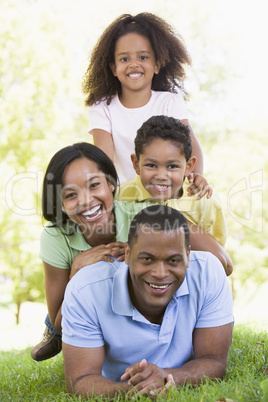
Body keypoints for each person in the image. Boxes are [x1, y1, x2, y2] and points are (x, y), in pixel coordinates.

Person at [31, 142, 226, 362]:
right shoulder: (56, 237)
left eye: (94, 185)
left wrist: (143, 252)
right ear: (61, 204)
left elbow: (223, 262)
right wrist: (76, 271)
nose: (86, 201)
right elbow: (60, 324)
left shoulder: (146, 215)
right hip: (99, 329)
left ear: (111, 184)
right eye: (70, 195)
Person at [62, 205, 233, 399]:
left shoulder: (208, 273)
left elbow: (214, 361)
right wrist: (136, 390)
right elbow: (80, 380)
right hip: (117, 382)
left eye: (173, 261)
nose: (160, 273)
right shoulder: (86, 289)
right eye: (147, 259)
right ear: (127, 253)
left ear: (188, 256)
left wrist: (168, 377)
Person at [82, 12, 209, 196]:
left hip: (166, 194)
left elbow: (190, 145)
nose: (134, 64)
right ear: (113, 68)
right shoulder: (102, 107)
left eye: (143, 57)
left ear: (157, 65)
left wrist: (197, 176)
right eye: (124, 59)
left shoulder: (169, 102)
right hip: (125, 197)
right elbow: (103, 158)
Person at [118, 116, 231, 275]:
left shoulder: (203, 201)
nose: (162, 175)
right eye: (151, 165)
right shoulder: (121, 197)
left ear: (189, 166)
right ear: (136, 164)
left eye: (172, 166)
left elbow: (218, 262)